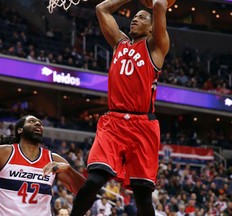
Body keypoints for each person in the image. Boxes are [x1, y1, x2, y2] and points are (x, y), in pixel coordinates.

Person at [70, 0, 170, 215]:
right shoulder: (119, 43)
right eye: (134, 16)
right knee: (94, 180)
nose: (134, 19)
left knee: (143, 196)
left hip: (142, 124)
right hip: (113, 122)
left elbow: (160, 5)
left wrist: (154, 5)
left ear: (153, 27)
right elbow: (101, 9)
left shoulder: (156, 47)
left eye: (142, 17)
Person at [0, 115, 86, 216]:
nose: (38, 124)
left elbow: (86, 191)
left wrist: (69, 169)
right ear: (20, 130)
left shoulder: (54, 159)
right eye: (32, 121)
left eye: (40, 123)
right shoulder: (4, 152)